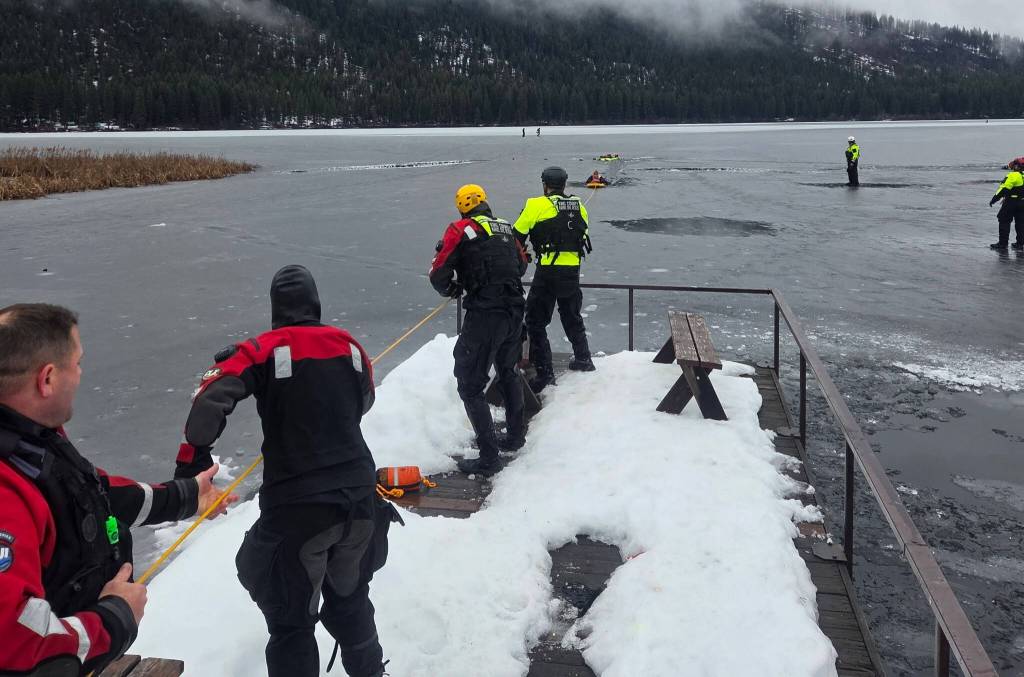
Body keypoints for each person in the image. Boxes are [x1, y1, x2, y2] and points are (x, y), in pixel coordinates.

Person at [173, 265, 396, 677]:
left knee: (292, 622)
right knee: (350, 599)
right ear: (315, 302)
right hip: (361, 501)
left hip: (299, 510)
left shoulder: (263, 349)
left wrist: (193, 460)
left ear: (276, 307)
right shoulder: (348, 346)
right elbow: (365, 400)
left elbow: (209, 398)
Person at [0, 303, 234, 676]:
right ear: (46, 380)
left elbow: (90, 494)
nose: (80, 374)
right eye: (76, 363)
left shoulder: (30, 438)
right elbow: (14, 640)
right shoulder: (6, 491)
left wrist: (187, 495)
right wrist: (113, 618)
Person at [429, 184, 530, 476]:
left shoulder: (460, 229)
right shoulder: (506, 229)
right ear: (485, 202)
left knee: (470, 384)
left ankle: (489, 457)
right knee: (508, 372)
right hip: (514, 311)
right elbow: (521, 267)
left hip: (485, 315)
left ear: (462, 206)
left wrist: (452, 287)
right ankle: (514, 436)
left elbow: (439, 272)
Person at [514, 166, 595, 393]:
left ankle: (545, 374)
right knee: (571, 315)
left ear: (544, 185)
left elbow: (516, 236)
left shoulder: (535, 205)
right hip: (572, 271)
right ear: (564, 184)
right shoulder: (579, 205)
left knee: (536, 321)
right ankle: (583, 358)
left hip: (548, 271)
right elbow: (583, 235)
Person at [988, 158, 1024, 250]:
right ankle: (1020, 244)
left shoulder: (1013, 175)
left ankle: (1002, 244)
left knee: (1004, 220)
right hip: (1022, 202)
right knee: (1020, 223)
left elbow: (1004, 189)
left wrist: (994, 199)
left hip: (1011, 202)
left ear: (1017, 166)